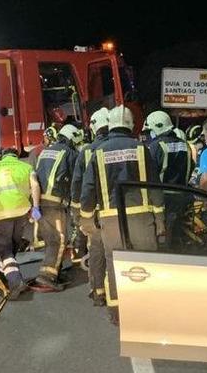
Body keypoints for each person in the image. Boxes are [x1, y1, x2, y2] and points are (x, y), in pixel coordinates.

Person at [81, 105, 164, 323]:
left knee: (115, 265)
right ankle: (147, 308)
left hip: (111, 220)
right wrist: (160, 219)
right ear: (131, 124)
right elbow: (155, 186)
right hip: (141, 218)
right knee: (146, 263)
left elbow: (88, 189)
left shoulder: (98, 152)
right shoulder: (141, 148)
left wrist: (86, 218)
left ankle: (117, 312)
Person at [0, 148, 41, 300]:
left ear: (3, 156)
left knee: (4, 249)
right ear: (16, 156)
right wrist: (36, 207)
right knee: (13, 245)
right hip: (22, 211)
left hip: (2, 211)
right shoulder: (26, 167)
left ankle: (15, 281)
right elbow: (35, 186)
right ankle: (1, 272)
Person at [72, 108, 110, 305]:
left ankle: (98, 292)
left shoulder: (86, 151)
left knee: (96, 251)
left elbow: (79, 184)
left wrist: (80, 214)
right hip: (117, 210)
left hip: (94, 212)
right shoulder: (116, 148)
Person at [34, 123, 79, 290]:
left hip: (41, 201)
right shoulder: (70, 153)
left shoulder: (46, 151)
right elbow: (76, 179)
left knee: (50, 238)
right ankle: (48, 276)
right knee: (59, 239)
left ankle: (52, 270)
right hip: (55, 202)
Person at [145, 110, 194, 248]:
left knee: (162, 236)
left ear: (156, 127)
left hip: (163, 198)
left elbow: (149, 173)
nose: (150, 134)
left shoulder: (155, 146)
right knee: (177, 234)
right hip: (182, 197)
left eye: (150, 130)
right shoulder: (185, 145)